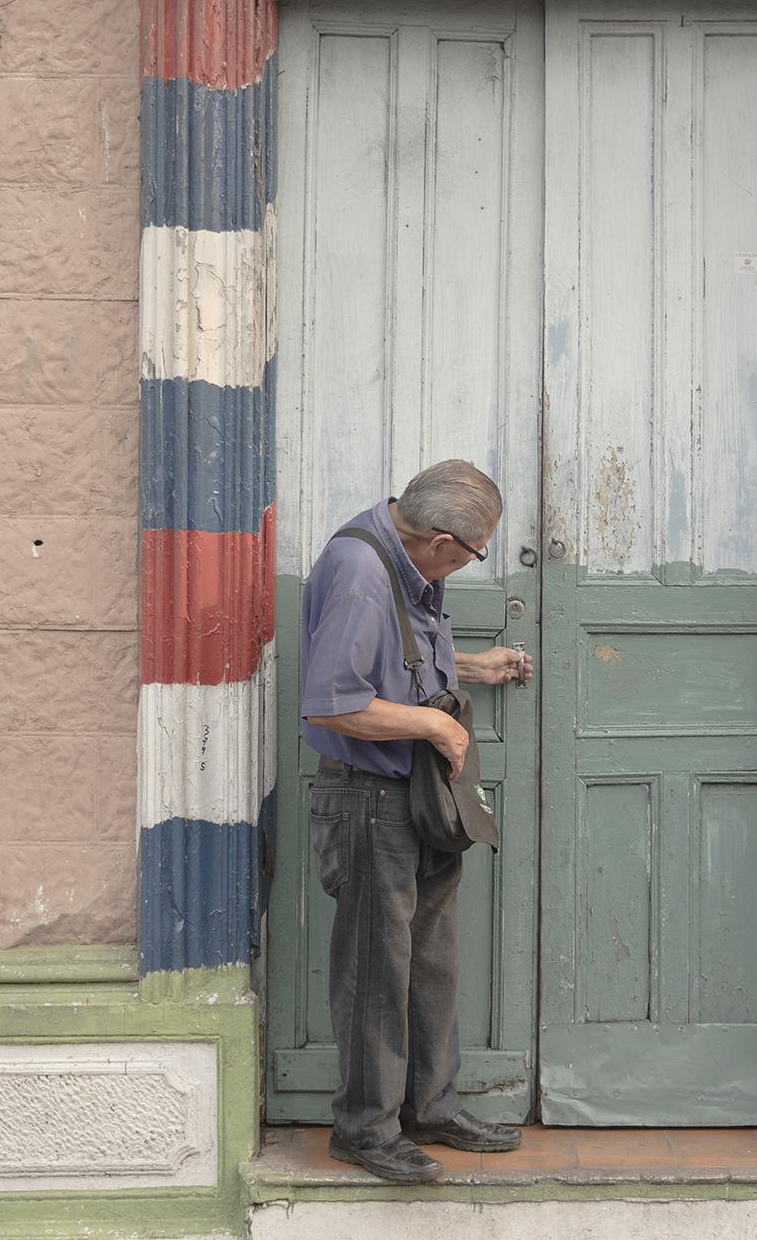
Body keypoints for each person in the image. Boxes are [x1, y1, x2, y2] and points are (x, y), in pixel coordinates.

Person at [299, 459, 534, 1183]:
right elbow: (333, 700)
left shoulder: (402, 563)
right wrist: (438, 730)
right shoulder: (364, 573)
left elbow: (390, 658)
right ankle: (365, 1129)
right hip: (370, 801)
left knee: (428, 961)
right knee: (378, 969)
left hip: (411, 802)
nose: (465, 566)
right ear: (440, 541)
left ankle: (427, 1105)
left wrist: (468, 666)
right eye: (471, 554)